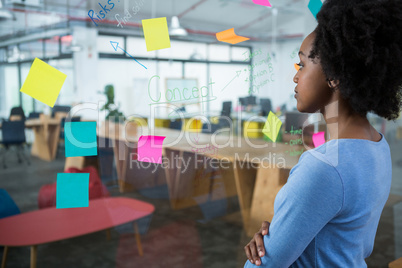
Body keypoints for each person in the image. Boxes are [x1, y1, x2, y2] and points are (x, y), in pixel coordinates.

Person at [244, 0, 402, 267]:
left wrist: (266, 251)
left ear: (335, 76)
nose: (295, 77)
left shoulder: (324, 167)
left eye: (302, 65)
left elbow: (265, 265)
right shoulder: (378, 146)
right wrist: (280, 235)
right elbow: (348, 239)